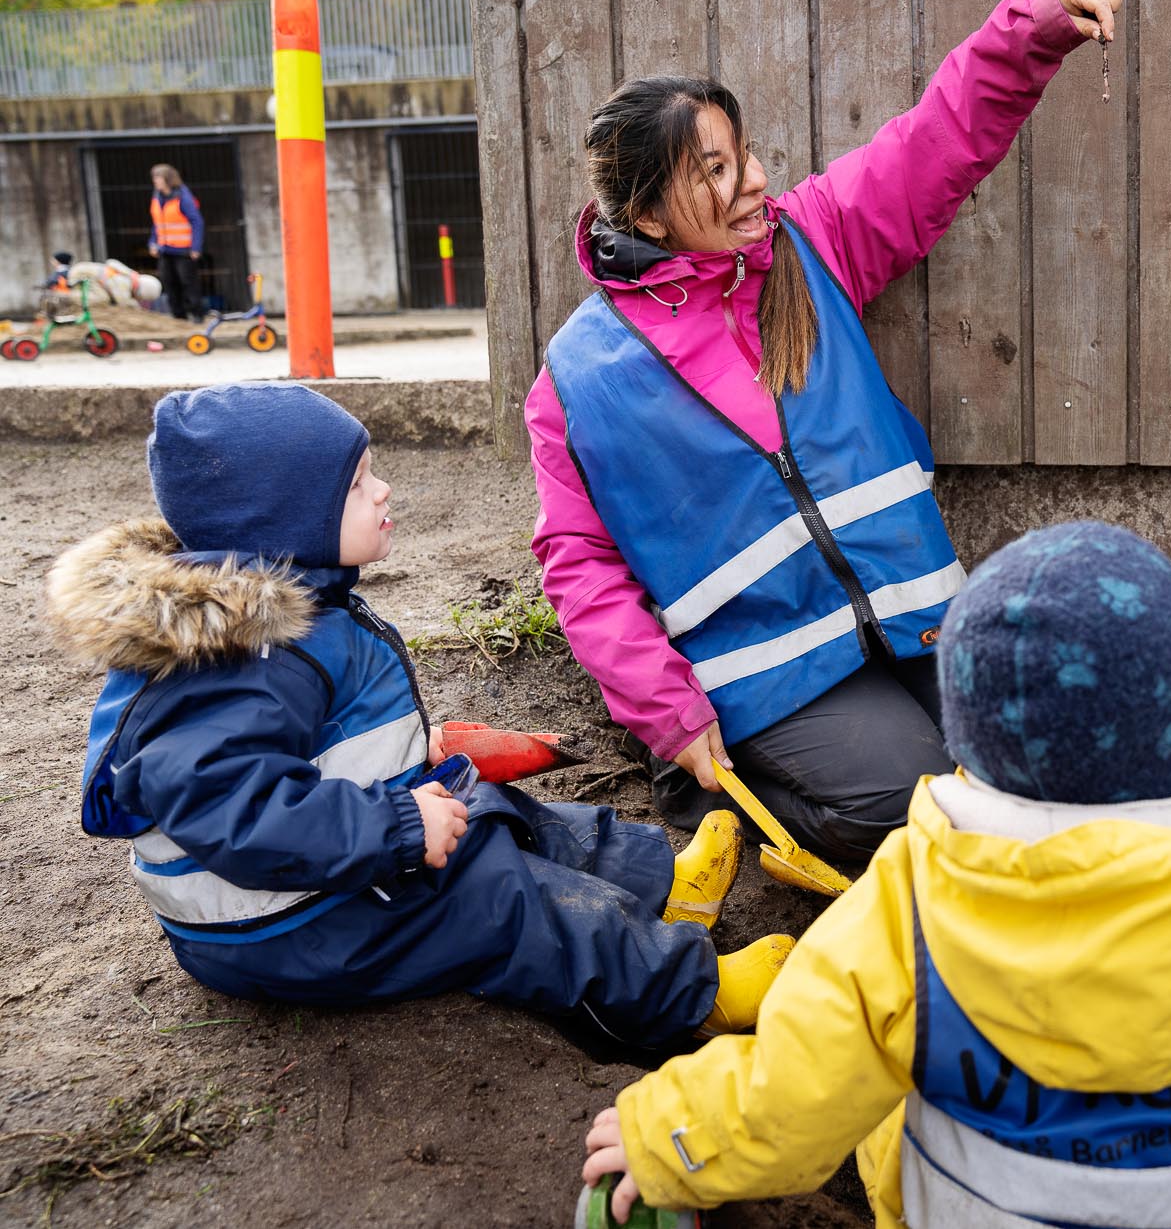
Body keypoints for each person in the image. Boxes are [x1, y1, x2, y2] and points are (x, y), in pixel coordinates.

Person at [575, 521, 1171, 1229]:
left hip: (975, 1206)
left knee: (883, 1074)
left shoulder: (917, 893)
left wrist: (672, 1133)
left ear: (967, 738)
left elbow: (792, 1092)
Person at [527, 0, 1125, 863]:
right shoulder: (577, 381)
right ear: (649, 212)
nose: (756, 180)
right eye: (715, 171)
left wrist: (1031, 28)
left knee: (1026, 768)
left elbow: (934, 143)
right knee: (916, 813)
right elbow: (580, 569)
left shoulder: (809, 243)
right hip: (770, 675)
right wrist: (669, 713)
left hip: (911, 610)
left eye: (746, 154)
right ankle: (715, 801)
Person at [46, 383, 791, 1053]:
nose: (383, 489)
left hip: (320, 860)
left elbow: (309, 748)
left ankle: (664, 880)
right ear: (286, 518)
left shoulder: (291, 606)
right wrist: (399, 825)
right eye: (359, 481)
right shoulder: (240, 659)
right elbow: (231, 808)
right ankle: (690, 995)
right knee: (503, 902)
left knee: (497, 808)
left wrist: (406, 763)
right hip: (280, 920)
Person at [148, 164, 205, 322]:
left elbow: (197, 222)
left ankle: (197, 314)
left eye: (158, 178)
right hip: (164, 249)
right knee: (169, 283)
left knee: (188, 282)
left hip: (183, 250)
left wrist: (196, 247)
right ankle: (179, 317)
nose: (155, 182)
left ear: (168, 179)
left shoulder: (182, 196)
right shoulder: (157, 197)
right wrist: (153, 242)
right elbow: (157, 223)